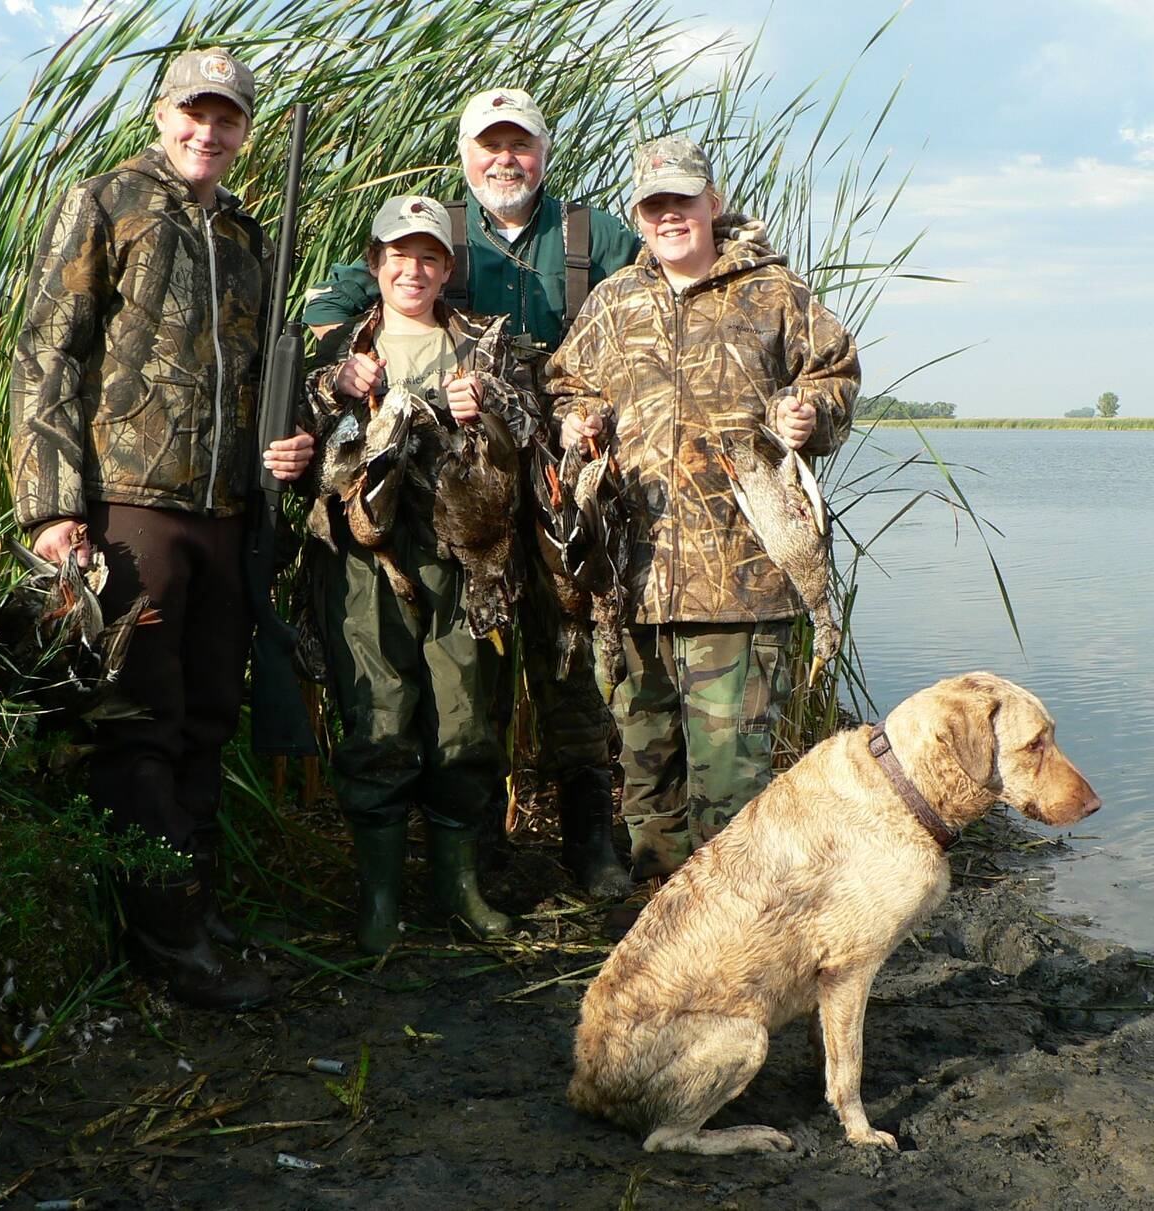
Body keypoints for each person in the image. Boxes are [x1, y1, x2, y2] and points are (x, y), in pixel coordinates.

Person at [9, 47, 314, 1010]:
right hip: (131, 505)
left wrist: (290, 442)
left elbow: (260, 373)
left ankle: (197, 908)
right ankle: (166, 941)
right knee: (140, 718)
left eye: (226, 118)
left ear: (245, 130)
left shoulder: (246, 232)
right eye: (194, 113)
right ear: (161, 114)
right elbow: (47, 355)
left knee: (209, 713)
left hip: (226, 512)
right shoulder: (106, 202)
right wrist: (54, 506)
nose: (207, 133)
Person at [303, 89, 642, 897]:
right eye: (489, 145)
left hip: (557, 484)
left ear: (543, 153)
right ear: (465, 157)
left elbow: (665, 285)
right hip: (469, 484)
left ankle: (590, 840)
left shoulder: (594, 236)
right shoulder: (437, 234)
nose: (505, 160)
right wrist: (348, 366)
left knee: (569, 660)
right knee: (473, 668)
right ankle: (479, 856)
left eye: (519, 144)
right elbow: (332, 304)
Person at [547, 137, 860, 880]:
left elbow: (835, 373)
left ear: (712, 204)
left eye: (683, 201)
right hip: (633, 581)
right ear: (638, 216)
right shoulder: (614, 300)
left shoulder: (774, 291)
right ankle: (664, 916)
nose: (670, 216)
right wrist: (575, 422)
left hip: (741, 583)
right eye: (654, 205)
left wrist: (810, 413)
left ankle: (734, 926)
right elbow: (566, 385)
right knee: (647, 779)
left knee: (731, 789)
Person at [299, 196, 539, 953]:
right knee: (378, 718)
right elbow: (292, 448)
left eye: (430, 256)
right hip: (365, 562)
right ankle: (380, 899)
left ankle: (457, 888)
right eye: (399, 255)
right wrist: (332, 387)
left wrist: (489, 405)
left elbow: (531, 427)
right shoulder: (336, 350)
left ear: (447, 268)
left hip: (466, 557)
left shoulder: (483, 344)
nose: (414, 269)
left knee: (465, 719)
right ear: (375, 264)